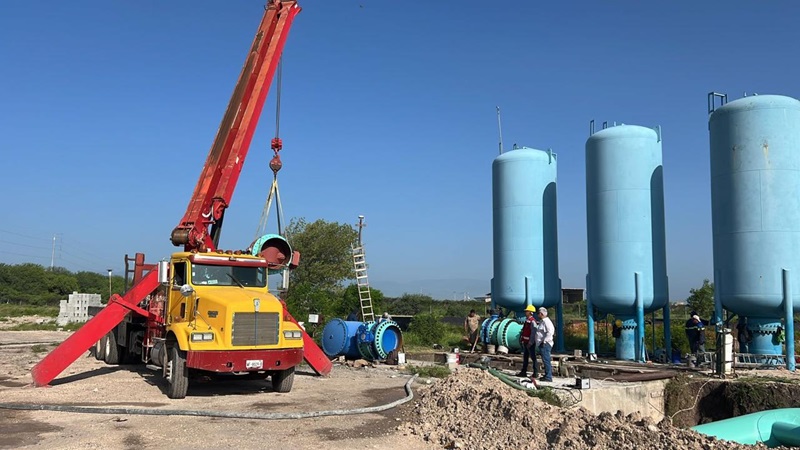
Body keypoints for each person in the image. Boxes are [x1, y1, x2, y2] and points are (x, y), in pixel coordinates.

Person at [515, 305, 538, 378]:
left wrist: (530, 343)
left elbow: (533, 333)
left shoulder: (532, 322)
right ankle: (523, 372)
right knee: (525, 357)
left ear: (530, 312)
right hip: (526, 342)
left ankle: (535, 372)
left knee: (533, 357)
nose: (525, 312)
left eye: (527, 311)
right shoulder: (527, 321)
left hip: (530, 343)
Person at [535, 307, 555, 382]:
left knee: (546, 360)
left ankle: (548, 377)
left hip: (545, 344)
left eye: (538, 313)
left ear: (541, 314)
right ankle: (547, 375)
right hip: (543, 344)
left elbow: (550, 332)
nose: (538, 315)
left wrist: (545, 341)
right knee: (545, 360)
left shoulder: (546, 322)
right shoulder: (543, 322)